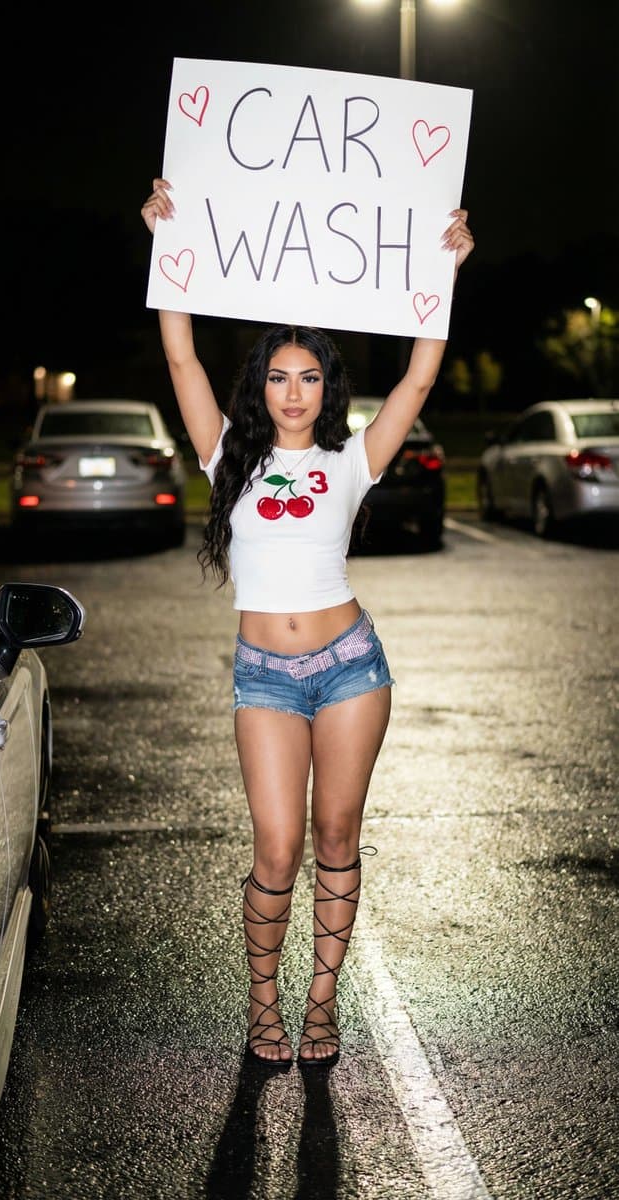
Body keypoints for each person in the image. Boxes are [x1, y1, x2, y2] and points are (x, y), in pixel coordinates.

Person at [141, 179, 474, 1069]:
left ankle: (320, 1007)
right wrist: (167, 251)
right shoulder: (227, 456)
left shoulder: (353, 457)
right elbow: (181, 363)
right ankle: (263, 1005)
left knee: (336, 835)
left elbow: (421, 374)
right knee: (278, 846)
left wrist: (442, 272)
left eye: (310, 376)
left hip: (352, 665)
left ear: (327, 387)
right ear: (263, 387)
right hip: (265, 676)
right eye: (279, 377)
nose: (294, 392)